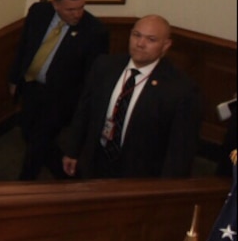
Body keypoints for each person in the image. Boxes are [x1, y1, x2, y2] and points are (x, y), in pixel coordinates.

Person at [62, 14, 200, 179]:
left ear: (165, 45)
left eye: (151, 39)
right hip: (95, 163)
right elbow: (84, 111)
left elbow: (179, 150)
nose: (140, 44)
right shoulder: (105, 66)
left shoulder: (180, 89)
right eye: (136, 35)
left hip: (139, 175)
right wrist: (73, 150)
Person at [7, 0, 109, 180]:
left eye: (81, 7)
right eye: (70, 9)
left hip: (61, 97)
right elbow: (24, 47)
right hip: (31, 87)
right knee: (28, 132)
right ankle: (68, 176)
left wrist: (82, 106)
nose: (77, 14)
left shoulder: (95, 31)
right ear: (56, 5)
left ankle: (24, 184)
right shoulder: (39, 12)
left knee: (39, 139)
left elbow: (92, 75)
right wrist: (14, 79)